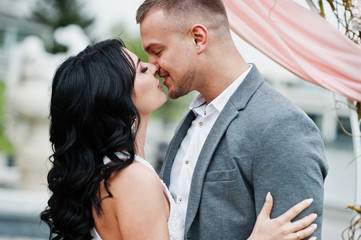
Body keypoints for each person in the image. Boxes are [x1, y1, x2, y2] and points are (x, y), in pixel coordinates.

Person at [40, 39, 318, 240]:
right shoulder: (132, 179)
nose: (154, 67)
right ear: (114, 97)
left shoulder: (112, 171)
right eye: (141, 69)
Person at [136, 0, 329, 239]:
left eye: (157, 51)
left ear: (198, 38)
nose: (152, 66)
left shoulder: (281, 126)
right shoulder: (190, 122)